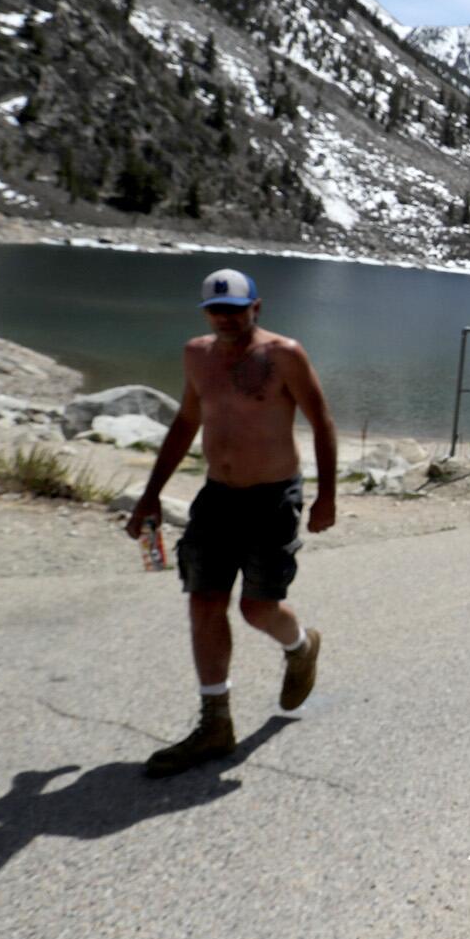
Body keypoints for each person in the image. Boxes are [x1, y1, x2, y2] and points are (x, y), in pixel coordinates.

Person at [125, 267, 338, 777]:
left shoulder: (285, 354)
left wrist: (326, 498)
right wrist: (150, 495)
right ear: (206, 312)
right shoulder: (196, 354)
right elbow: (185, 423)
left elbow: (322, 421)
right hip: (217, 498)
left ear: (256, 308)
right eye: (217, 310)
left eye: (236, 310)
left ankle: (301, 646)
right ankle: (215, 724)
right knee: (204, 602)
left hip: (272, 499)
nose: (226, 319)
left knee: (257, 609)